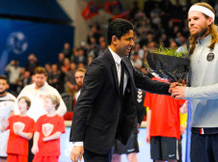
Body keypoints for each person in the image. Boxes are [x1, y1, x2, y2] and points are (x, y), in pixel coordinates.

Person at [70, 18, 171, 162]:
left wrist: (172, 88)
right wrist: (77, 142)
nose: (132, 43)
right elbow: (83, 103)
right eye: (128, 39)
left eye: (133, 39)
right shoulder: (99, 66)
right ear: (114, 39)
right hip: (94, 140)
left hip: (110, 137)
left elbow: (147, 83)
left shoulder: (125, 62)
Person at [170, 2, 218, 162]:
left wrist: (188, 92)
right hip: (198, 130)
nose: (191, 23)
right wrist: (183, 92)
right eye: (189, 20)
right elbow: (190, 85)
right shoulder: (187, 50)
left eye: (196, 18)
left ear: (209, 20)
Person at [15, 67, 67, 162]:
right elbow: (16, 105)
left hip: (43, 128)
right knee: (27, 153)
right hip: (27, 126)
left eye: (41, 77)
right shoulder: (27, 89)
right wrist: (21, 119)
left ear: (46, 78)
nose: (39, 80)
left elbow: (62, 108)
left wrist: (50, 120)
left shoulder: (52, 90)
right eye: (37, 77)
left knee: (40, 154)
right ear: (33, 77)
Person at [144, 75, 187, 162]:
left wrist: (183, 123)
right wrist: (148, 131)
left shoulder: (177, 83)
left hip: (171, 130)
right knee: (158, 160)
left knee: (173, 160)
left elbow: (182, 107)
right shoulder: (151, 83)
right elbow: (150, 109)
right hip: (155, 131)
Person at [31, 94, 65, 162]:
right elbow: (36, 132)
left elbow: (58, 134)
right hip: (40, 150)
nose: (45, 104)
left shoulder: (59, 119)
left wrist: (47, 138)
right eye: (44, 102)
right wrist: (35, 145)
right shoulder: (41, 118)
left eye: (47, 102)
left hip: (52, 151)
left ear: (54, 104)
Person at [1, 96, 34, 162]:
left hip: (22, 151)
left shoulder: (30, 120)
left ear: (28, 106)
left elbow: (29, 136)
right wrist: (4, 126)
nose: (20, 104)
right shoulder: (12, 118)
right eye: (19, 102)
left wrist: (19, 132)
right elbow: (1, 130)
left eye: (23, 102)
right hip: (11, 149)